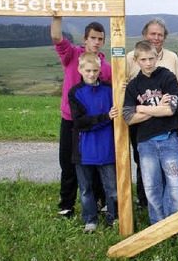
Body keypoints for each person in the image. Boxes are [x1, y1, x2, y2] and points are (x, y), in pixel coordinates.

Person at [122, 41, 178, 244]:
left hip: (169, 139)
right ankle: (158, 229)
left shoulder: (167, 77)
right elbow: (128, 117)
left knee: (175, 186)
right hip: (145, 143)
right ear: (136, 60)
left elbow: (170, 109)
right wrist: (150, 110)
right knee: (152, 187)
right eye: (143, 59)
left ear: (156, 57)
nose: (148, 63)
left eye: (151, 58)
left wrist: (141, 108)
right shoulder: (133, 85)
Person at [51, 13, 111, 218]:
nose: (96, 42)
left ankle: (99, 202)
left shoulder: (106, 66)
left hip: (96, 124)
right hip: (70, 120)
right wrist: (57, 13)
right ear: (85, 39)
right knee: (68, 162)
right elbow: (57, 37)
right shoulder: (72, 54)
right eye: (93, 37)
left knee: (95, 163)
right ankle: (67, 204)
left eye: (100, 39)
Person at [125, 18, 178, 209]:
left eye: (160, 35)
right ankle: (146, 204)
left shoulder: (171, 59)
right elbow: (124, 90)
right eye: (152, 34)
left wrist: (143, 106)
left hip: (167, 126)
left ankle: (172, 213)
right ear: (145, 36)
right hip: (143, 129)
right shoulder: (129, 57)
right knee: (144, 167)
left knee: (172, 178)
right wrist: (154, 106)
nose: (156, 38)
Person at [68, 53, 118, 233]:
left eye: (95, 70)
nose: (91, 74)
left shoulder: (109, 89)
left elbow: (117, 114)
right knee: (86, 189)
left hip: (107, 148)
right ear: (80, 69)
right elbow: (79, 122)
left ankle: (114, 218)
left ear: (100, 70)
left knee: (112, 188)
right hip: (84, 150)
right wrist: (105, 118)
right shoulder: (75, 92)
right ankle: (90, 220)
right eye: (87, 70)